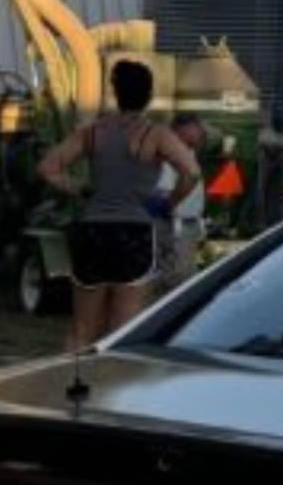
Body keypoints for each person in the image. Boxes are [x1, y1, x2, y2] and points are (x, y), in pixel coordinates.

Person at [37, 60, 201, 350]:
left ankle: (70, 389)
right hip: (133, 232)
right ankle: (110, 392)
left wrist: (81, 189)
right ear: (149, 96)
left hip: (93, 232)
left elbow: (48, 167)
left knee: (81, 330)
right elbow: (192, 173)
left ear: (115, 92)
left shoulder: (91, 132)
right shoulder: (157, 134)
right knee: (121, 332)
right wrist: (168, 203)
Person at [152, 112, 208, 294]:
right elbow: (163, 192)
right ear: (182, 130)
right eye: (197, 129)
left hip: (188, 226)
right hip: (174, 227)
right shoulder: (169, 154)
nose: (201, 134)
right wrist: (170, 207)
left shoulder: (188, 151)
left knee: (183, 279)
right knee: (178, 282)